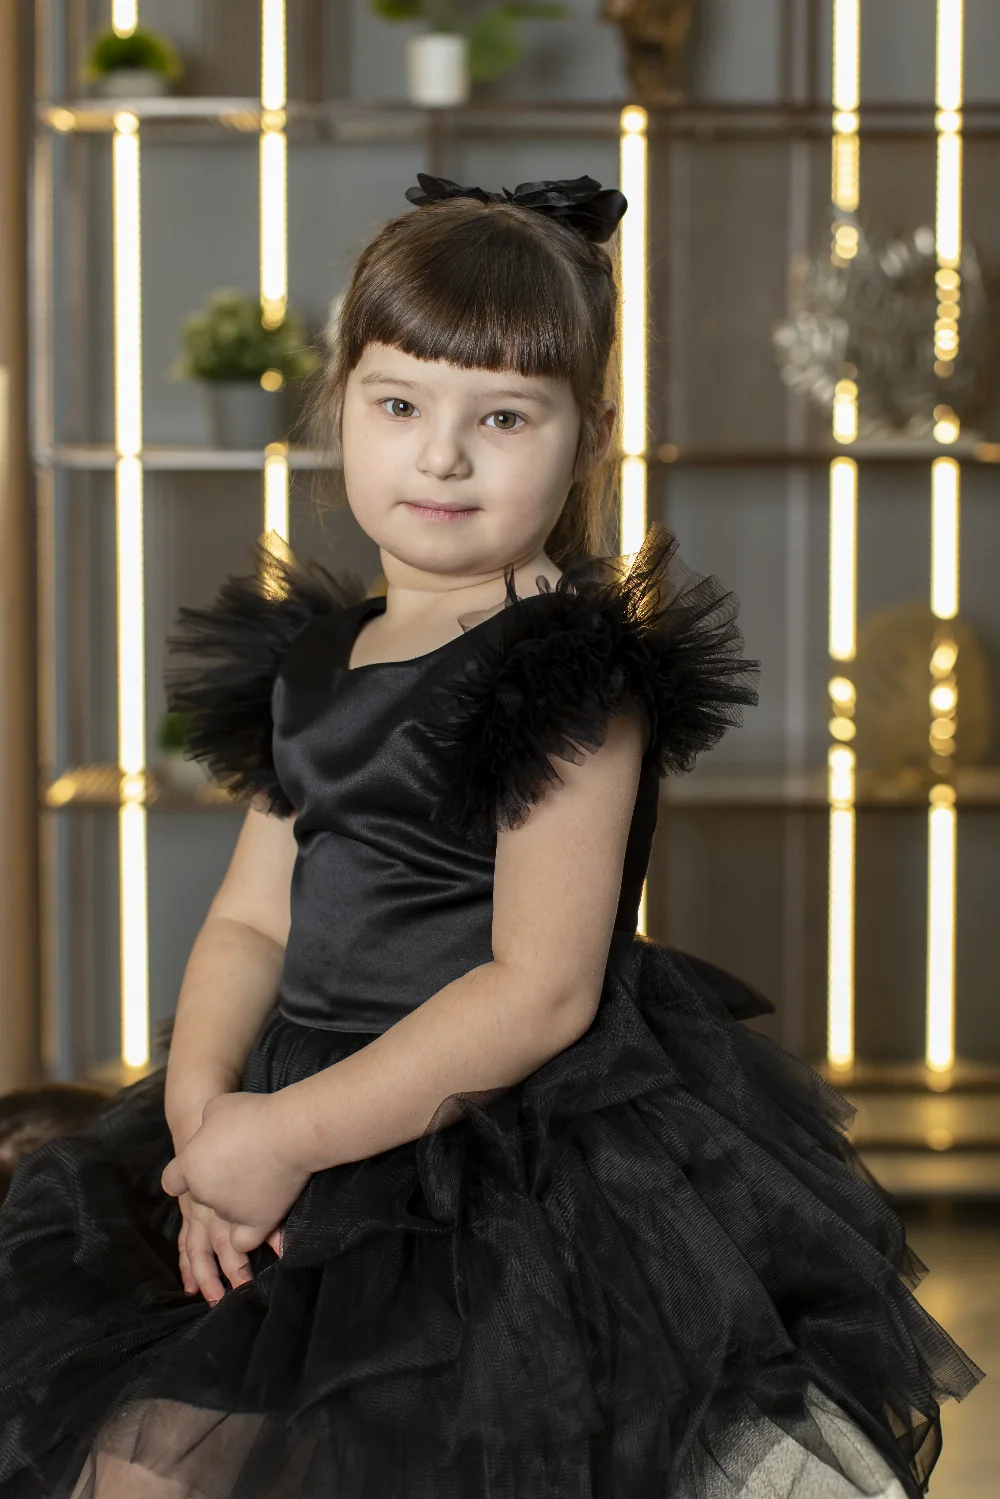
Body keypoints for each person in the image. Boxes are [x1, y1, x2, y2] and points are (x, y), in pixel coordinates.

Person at [0, 173, 983, 1499]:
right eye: (399, 404)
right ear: (338, 403)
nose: (442, 456)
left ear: (591, 436)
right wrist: (205, 1121)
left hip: (493, 1149)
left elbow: (539, 991)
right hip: (282, 1108)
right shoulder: (316, 660)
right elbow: (250, 916)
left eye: (503, 415)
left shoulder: (566, 676)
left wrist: (285, 1138)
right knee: (149, 1452)